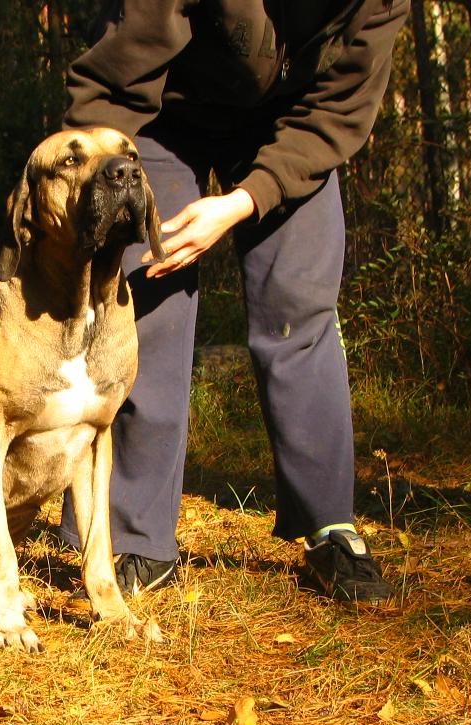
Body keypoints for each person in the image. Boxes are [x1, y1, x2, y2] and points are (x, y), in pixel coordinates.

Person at [59, 0, 410, 602]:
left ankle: (330, 527)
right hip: (166, 109)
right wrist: (92, 159)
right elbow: (118, 69)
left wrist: (245, 200)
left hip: (290, 124)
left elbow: (339, 111)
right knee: (150, 293)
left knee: (298, 308)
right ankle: (131, 535)